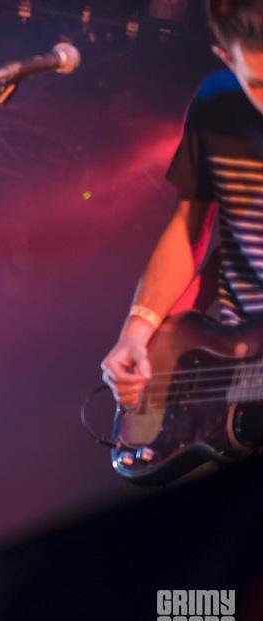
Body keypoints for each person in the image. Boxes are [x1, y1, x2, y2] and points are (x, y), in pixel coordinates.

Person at [101, 0, 263, 406]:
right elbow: (189, 227)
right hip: (236, 371)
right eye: (258, 84)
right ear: (227, 58)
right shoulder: (216, 103)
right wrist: (138, 333)